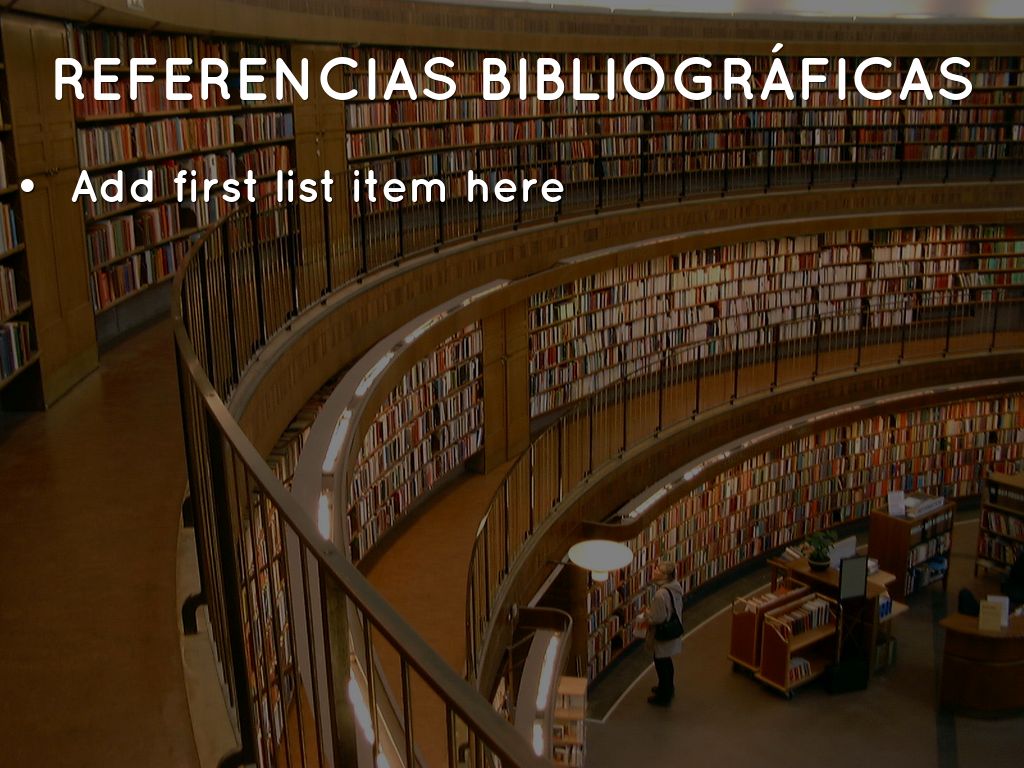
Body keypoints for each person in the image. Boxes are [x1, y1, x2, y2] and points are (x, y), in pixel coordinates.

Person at [638, 560, 685, 706]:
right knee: (667, 661)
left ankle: (664, 696)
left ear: (664, 576)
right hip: (673, 629)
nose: (654, 570)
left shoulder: (660, 594)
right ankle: (668, 688)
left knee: (661, 663)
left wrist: (647, 614)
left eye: (658, 569)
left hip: (663, 633)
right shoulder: (675, 586)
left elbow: (658, 618)